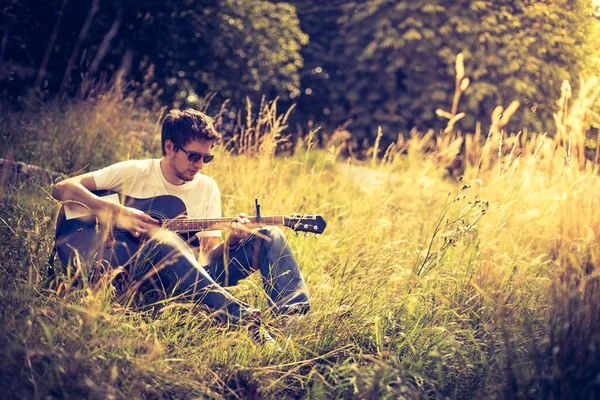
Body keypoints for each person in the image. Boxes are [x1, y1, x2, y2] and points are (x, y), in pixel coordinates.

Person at [52, 109, 310, 339]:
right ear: (170, 147)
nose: (199, 165)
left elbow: (207, 257)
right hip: (135, 279)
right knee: (163, 238)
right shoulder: (135, 171)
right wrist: (117, 211)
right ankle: (246, 320)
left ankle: (293, 320)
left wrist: (231, 242)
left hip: (188, 280)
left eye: (206, 158)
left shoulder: (208, 188)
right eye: (194, 156)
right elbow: (63, 188)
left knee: (270, 234)